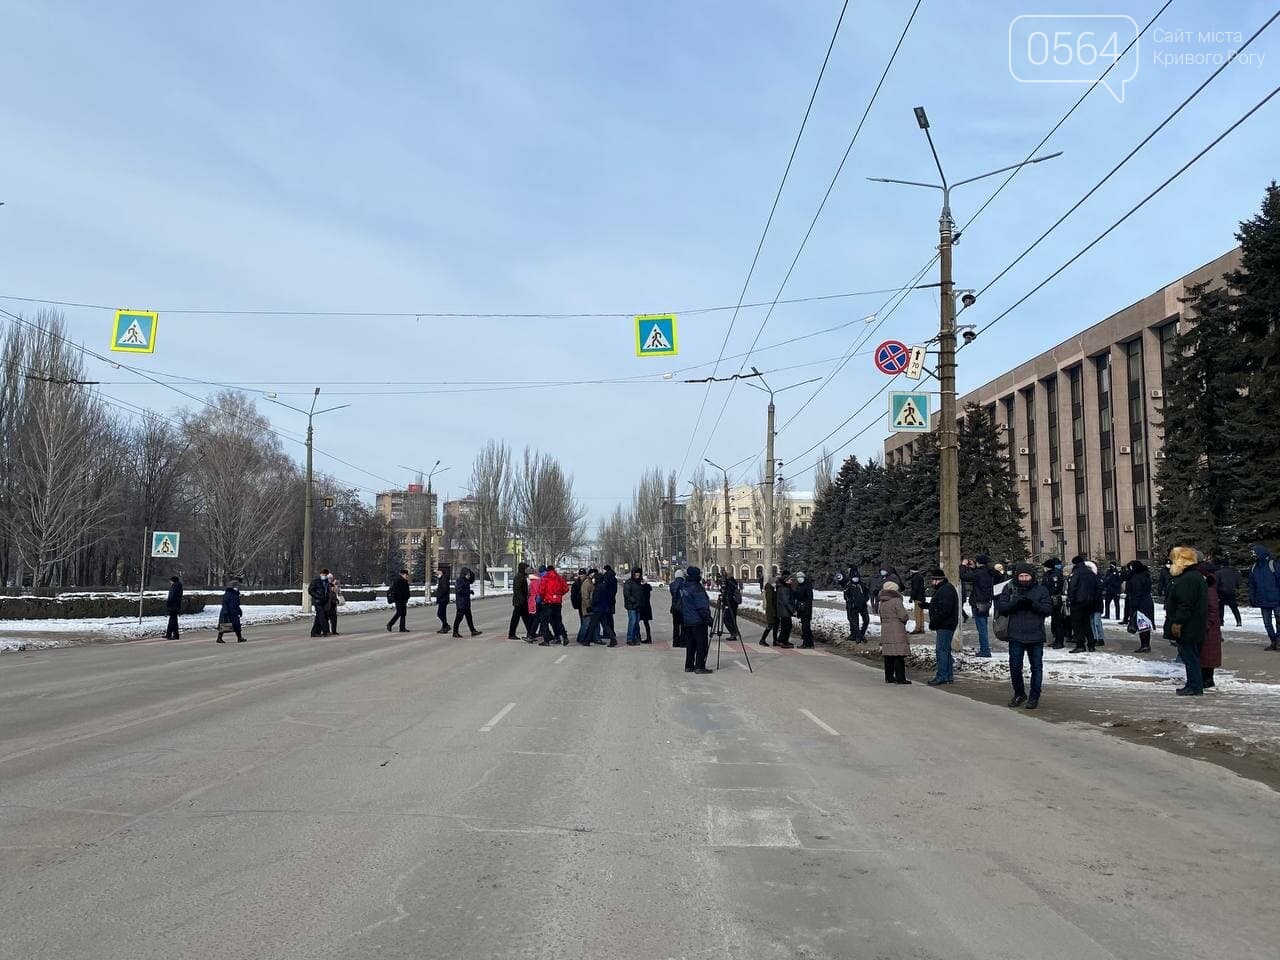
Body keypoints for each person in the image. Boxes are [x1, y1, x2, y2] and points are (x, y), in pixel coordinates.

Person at [995, 562, 1053, 708]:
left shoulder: (1041, 590)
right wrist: (1015, 603)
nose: (1024, 579)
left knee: (1036, 668)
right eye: (1021, 576)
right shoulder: (1009, 589)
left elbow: (1047, 609)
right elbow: (1002, 608)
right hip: (1016, 634)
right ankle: (1019, 693)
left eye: (1026, 576)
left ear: (1031, 576)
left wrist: (1033, 604)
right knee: (1015, 666)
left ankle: (1034, 696)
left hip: (1035, 635)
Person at [1164, 547, 1207, 695]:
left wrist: (1177, 623)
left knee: (1190, 657)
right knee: (1191, 656)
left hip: (1188, 625)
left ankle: (1194, 686)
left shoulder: (1188, 579)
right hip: (1193, 624)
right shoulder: (1194, 576)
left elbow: (1185, 604)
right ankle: (1194, 684)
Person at [960, 554, 1000, 658]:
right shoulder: (989, 571)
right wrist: (974, 568)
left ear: (978, 562)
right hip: (986, 602)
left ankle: (985, 650)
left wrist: (963, 565)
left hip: (977, 602)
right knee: (983, 626)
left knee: (981, 628)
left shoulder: (979, 573)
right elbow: (979, 577)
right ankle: (985, 649)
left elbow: (963, 576)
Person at [926, 568, 959, 686]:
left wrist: (934, 622)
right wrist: (928, 606)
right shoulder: (945, 588)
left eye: (933, 580)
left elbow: (944, 610)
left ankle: (942, 676)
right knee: (945, 651)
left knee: (941, 651)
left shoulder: (945, 590)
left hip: (945, 625)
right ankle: (948, 676)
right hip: (946, 624)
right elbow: (940, 605)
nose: (931, 583)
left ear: (937, 580)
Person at [680, 565, 713, 674]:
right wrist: (708, 619)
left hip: (688, 620)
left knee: (690, 644)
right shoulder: (697, 588)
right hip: (698, 620)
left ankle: (689, 665)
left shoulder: (685, 586)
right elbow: (702, 606)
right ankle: (699, 666)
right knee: (701, 643)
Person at [877, 580, 912, 684]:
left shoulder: (882, 602)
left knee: (888, 655)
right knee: (898, 655)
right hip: (897, 629)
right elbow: (903, 615)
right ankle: (900, 678)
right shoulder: (896, 601)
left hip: (886, 630)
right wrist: (906, 619)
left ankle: (889, 677)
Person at [1248, 544, 1280, 650]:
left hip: (1276, 599)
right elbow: (1251, 584)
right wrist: (1252, 597)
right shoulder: (1254, 567)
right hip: (1263, 600)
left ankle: (1278, 641)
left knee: (1279, 621)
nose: (1253, 555)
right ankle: (1274, 641)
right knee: (1267, 623)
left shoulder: (1273, 564)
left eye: (1254, 553)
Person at [1197, 562, 1223, 690]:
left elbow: (1212, 611)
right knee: (1207, 656)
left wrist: (1205, 624)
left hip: (1209, 629)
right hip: (1208, 628)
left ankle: (1207, 679)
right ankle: (1206, 679)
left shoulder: (1209, 590)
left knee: (1207, 656)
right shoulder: (1208, 588)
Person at [1067, 556, 1100, 654]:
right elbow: (1097, 587)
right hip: (1090, 602)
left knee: (1077, 624)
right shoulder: (1091, 573)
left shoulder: (1076, 573)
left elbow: (1072, 587)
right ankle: (1091, 644)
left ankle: (1080, 644)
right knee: (1087, 623)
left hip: (1078, 602)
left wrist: (1071, 599)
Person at [1122, 559, 1155, 652]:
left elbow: (1137, 591)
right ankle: (1146, 644)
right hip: (1147, 601)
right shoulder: (1145, 575)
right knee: (1145, 624)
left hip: (1140, 602)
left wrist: (1134, 604)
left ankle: (1144, 645)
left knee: (1141, 624)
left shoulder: (1136, 577)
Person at [537, 563, 569, 646]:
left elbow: (541, 591)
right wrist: (559, 595)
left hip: (548, 602)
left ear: (547, 570)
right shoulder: (559, 578)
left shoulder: (545, 578)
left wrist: (543, 597)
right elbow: (566, 588)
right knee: (558, 621)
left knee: (544, 621)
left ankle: (546, 640)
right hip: (557, 603)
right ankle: (564, 637)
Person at [588, 564, 619, 646]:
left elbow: (596, 599)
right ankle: (613, 639)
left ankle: (586, 640)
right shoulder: (604, 586)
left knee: (592, 625)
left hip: (598, 609)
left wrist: (592, 606)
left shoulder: (598, 588)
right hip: (604, 608)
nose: (593, 580)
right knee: (605, 625)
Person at [1043, 558, 1068, 649]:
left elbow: (1055, 588)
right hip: (1052, 600)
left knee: (1058, 622)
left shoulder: (1054, 575)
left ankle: (1059, 641)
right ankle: (1056, 640)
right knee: (1055, 622)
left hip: (1056, 601)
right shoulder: (1049, 574)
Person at [841, 571, 869, 644]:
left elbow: (867, 593)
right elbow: (846, 596)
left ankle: (861, 634)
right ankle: (858, 636)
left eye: (857, 577)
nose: (855, 579)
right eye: (854, 577)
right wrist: (851, 601)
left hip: (863, 606)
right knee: (855, 622)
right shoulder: (848, 586)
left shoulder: (862, 585)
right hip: (853, 606)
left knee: (866, 620)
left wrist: (865, 599)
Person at [452, 567, 481, 637]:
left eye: (469, 574)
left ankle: (473, 631)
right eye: (467, 574)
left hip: (466, 603)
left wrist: (470, 571)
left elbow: (472, 579)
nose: (469, 576)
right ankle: (455, 632)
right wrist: (469, 591)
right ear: (464, 574)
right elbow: (459, 591)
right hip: (461, 603)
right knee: (458, 618)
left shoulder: (466, 580)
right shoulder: (460, 581)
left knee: (469, 618)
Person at [1214, 560, 1242, 628]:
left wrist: (1215, 591)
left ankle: (1221, 621)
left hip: (1221, 591)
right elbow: (1238, 582)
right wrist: (1236, 587)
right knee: (1234, 607)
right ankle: (1238, 621)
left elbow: (1216, 583)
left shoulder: (1218, 573)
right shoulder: (1234, 572)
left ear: (1221, 565)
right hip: (1231, 591)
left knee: (1221, 607)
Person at [215, 579, 244, 643]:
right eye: (237, 586)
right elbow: (225, 603)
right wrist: (225, 611)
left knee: (237, 626)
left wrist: (239, 610)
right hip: (228, 612)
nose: (238, 588)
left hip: (234, 612)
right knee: (225, 625)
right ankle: (219, 638)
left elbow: (236, 604)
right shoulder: (228, 594)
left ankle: (239, 638)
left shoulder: (236, 594)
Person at [623, 567, 646, 645]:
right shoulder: (628, 583)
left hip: (638, 606)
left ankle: (635, 638)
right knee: (632, 621)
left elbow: (641, 594)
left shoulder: (639, 582)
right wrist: (634, 601)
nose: (637, 574)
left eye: (638, 573)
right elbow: (627, 594)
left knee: (636, 623)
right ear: (633, 574)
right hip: (631, 606)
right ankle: (629, 639)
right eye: (636, 573)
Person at [509, 561, 531, 640]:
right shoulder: (519, 577)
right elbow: (517, 589)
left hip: (522, 601)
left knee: (526, 618)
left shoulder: (522, 576)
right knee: (516, 618)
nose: (527, 570)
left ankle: (531, 633)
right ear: (523, 569)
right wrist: (522, 599)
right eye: (526, 568)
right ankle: (511, 634)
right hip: (519, 602)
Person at [577, 568, 597, 645]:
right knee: (586, 623)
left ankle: (586, 637)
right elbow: (585, 596)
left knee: (588, 623)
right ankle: (581, 638)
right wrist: (588, 606)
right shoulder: (587, 583)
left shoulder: (590, 582)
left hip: (589, 605)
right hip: (586, 606)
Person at [776, 572, 797, 649]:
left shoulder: (784, 587)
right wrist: (793, 610)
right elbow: (786, 601)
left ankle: (780, 640)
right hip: (785, 611)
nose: (792, 581)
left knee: (785, 626)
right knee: (787, 626)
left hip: (783, 610)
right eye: (790, 579)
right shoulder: (784, 588)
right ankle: (784, 642)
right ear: (786, 580)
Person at [386, 568, 411, 633]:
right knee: (399, 612)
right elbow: (397, 591)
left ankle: (402, 628)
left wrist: (406, 597)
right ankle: (390, 624)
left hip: (403, 600)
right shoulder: (398, 580)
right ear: (403, 574)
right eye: (406, 575)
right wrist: (401, 598)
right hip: (399, 600)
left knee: (403, 614)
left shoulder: (403, 580)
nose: (407, 576)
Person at [309, 567, 331, 637]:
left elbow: (327, 591)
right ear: (320, 574)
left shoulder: (326, 581)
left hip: (324, 601)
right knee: (322, 616)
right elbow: (310, 590)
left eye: (325, 574)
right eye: (323, 574)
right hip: (317, 601)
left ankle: (314, 632)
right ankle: (325, 631)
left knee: (318, 617)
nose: (324, 575)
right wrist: (317, 596)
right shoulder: (316, 581)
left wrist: (327, 597)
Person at [795, 572, 815, 648]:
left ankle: (806, 643)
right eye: (798, 577)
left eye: (800, 577)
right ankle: (810, 643)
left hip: (805, 609)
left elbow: (807, 598)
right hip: (802, 609)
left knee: (805, 627)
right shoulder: (801, 585)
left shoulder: (807, 586)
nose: (799, 579)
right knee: (806, 626)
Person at [720, 570, 741, 641]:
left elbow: (729, 595)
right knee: (732, 619)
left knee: (726, 618)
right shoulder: (733, 582)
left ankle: (733, 633)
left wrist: (725, 603)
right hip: (734, 604)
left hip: (730, 604)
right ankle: (735, 633)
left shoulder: (729, 583)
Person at [760, 575, 779, 646]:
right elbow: (770, 602)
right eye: (775, 582)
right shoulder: (769, 589)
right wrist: (773, 612)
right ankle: (762, 640)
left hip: (774, 610)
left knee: (776, 626)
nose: (776, 584)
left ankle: (775, 640)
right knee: (770, 625)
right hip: (771, 611)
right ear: (771, 582)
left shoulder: (773, 589)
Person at [669, 570, 686, 648]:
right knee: (683, 626)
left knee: (675, 626)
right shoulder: (685, 584)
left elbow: (673, 594)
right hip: (683, 608)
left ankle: (675, 643)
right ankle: (683, 642)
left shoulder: (672, 585)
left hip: (675, 608)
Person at [908, 566, 927, 634]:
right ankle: (922, 628)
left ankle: (918, 628)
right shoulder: (920, 577)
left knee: (917, 613)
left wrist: (912, 597)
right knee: (921, 613)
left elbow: (914, 589)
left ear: (912, 571)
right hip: (922, 597)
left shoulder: (915, 578)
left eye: (910, 571)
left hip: (918, 598)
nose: (910, 573)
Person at [164, 574, 183, 639]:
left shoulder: (174, 587)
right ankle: (175, 635)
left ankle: (169, 634)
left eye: (171, 581)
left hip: (172, 606)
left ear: (173, 581)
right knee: (174, 621)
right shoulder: (179, 586)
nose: (170, 582)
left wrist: (168, 604)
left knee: (172, 621)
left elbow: (171, 597)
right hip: (177, 605)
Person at [434, 564, 452, 633]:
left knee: (440, 614)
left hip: (443, 599)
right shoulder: (442, 578)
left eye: (438, 570)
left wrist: (438, 594)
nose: (437, 572)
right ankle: (444, 627)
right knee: (442, 614)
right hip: (443, 599)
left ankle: (446, 626)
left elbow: (444, 589)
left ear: (441, 571)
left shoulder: (444, 579)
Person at [638, 577, 654, 643]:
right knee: (646, 623)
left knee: (636, 622)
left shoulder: (641, 588)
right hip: (647, 606)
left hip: (642, 607)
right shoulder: (648, 587)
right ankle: (649, 637)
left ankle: (638, 636)